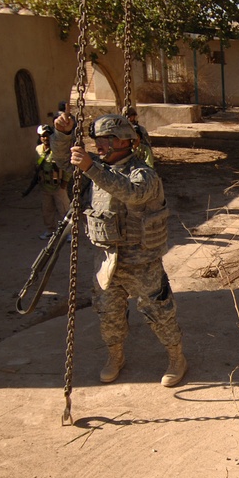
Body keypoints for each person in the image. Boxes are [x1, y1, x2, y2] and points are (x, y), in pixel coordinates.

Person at [51, 108, 187, 388]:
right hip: (107, 261)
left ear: (126, 141)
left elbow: (131, 193)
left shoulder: (143, 174)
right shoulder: (97, 169)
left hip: (142, 262)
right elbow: (64, 162)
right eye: (98, 139)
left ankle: (176, 358)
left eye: (107, 138)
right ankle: (115, 357)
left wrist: (90, 166)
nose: (100, 145)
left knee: (159, 313)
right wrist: (63, 135)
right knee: (108, 314)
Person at [24, 124, 72, 239]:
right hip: (45, 186)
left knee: (64, 210)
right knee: (47, 211)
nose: (45, 138)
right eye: (42, 136)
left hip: (58, 186)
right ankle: (50, 230)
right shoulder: (39, 149)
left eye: (47, 136)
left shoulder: (58, 150)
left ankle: (69, 232)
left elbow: (67, 167)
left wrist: (65, 182)